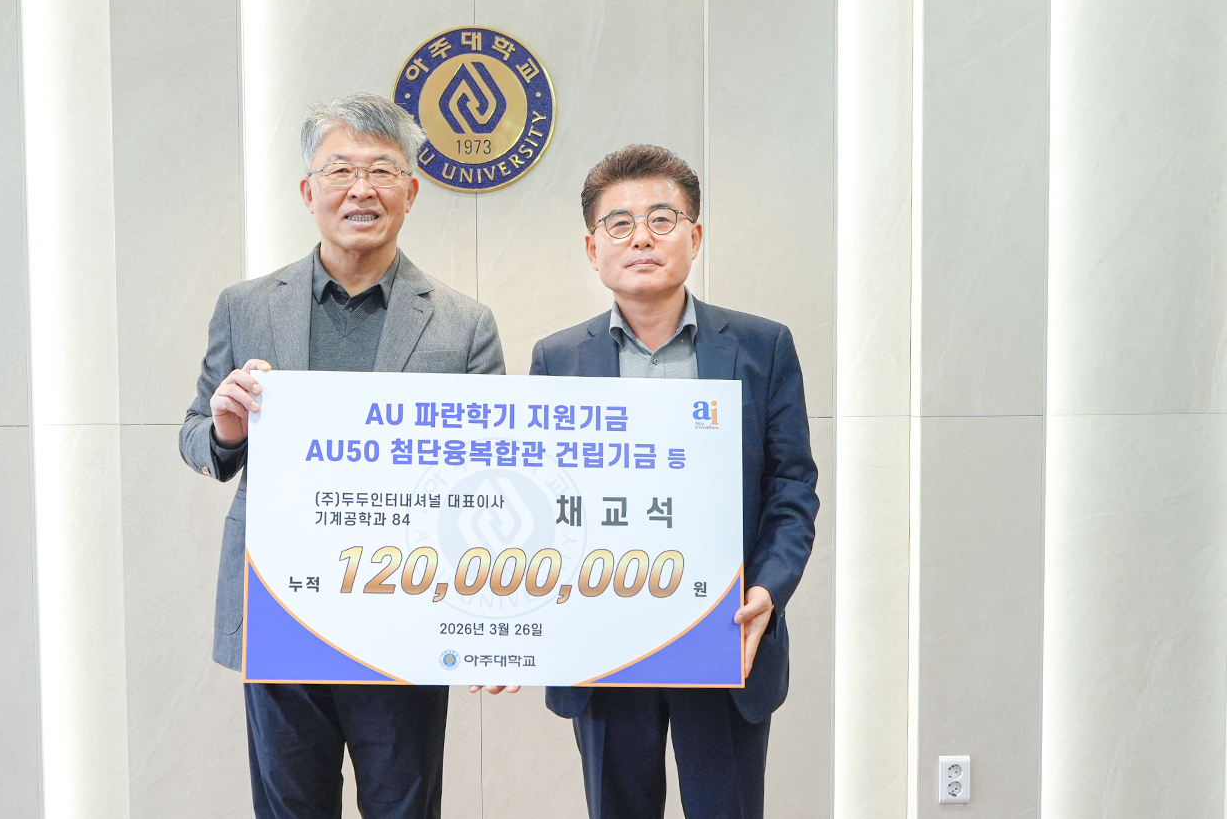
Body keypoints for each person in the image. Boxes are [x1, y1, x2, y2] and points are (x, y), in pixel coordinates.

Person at [180, 92, 505, 819]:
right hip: (280, 606)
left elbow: (492, 478)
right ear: (308, 191)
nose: (362, 189)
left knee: (404, 808)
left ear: (411, 192)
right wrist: (228, 430)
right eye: (340, 170)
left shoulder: (464, 324)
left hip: (408, 609)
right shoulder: (246, 305)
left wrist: (490, 622)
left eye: (383, 171)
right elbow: (197, 432)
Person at [530, 145, 818, 819]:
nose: (641, 238)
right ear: (592, 248)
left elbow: (792, 490)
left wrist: (766, 590)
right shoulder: (558, 359)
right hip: (604, 641)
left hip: (724, 635)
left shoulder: (762, 347)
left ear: (695, 236)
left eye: (662, 220)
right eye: (619, 224)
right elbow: (539, 500)